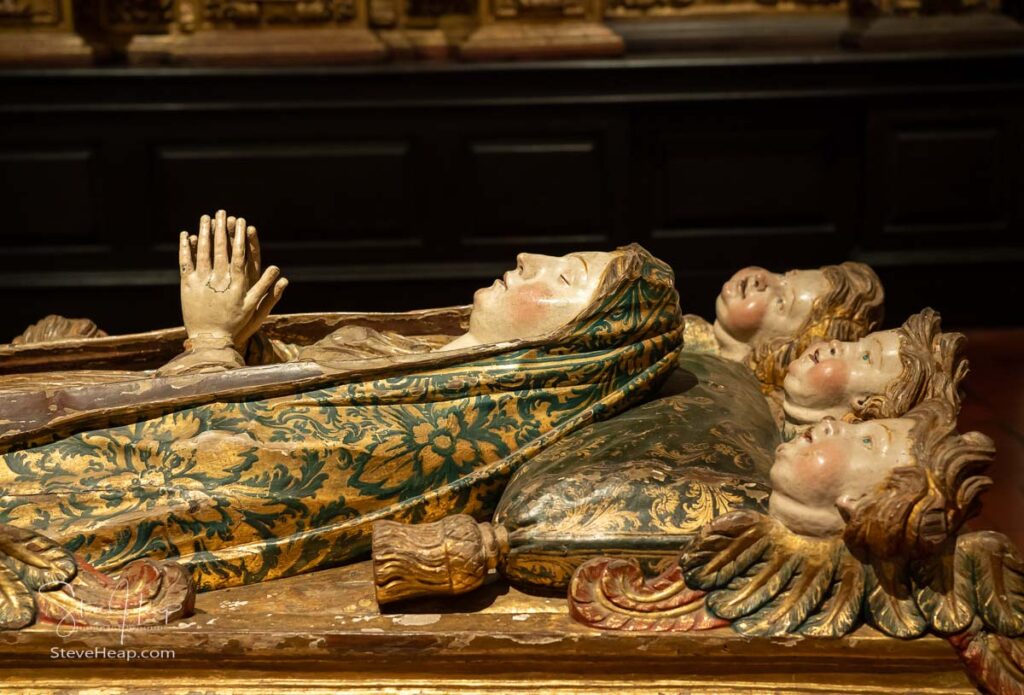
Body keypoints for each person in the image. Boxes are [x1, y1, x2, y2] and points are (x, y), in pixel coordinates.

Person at [0, 212, 684, 593]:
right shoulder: (433, 364)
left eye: (564, 276)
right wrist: (242, 340)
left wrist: (211, 340)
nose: (530, 255)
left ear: (576, 348)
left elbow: (239, 464)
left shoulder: (441, 424)